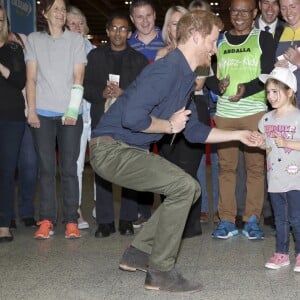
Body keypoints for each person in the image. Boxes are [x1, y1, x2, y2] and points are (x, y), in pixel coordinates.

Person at [89, 10, 258, 293]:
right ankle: (161, 271)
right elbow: (132, 117)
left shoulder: (184, 76)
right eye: (212, 41)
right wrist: (168, 125)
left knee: (189, 189)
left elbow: (192, 131)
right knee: (184, 186)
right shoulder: (167, 69)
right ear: (195, 36)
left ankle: (137, 254)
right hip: (110, 149)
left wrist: (240, 134)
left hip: (127, 150)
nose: (215, 49)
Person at [210, 0, 276, 240]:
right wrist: (217, 85)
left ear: (254, 13)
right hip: (225, 115)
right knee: (226, 169)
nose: (239, 15)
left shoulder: (263, 39)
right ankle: (226, 220)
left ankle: (252, 220)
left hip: (255, 114)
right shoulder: (219, 39)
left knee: (256, 169)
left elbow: (268, 73)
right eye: (235, 10)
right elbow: (207, 73)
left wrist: (244, 89)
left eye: (245, 11)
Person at [25, 0, 87, 239]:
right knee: (47, 168)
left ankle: (71, 219)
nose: (61, 13)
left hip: (70, 114)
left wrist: (72, 110)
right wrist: (32, 110)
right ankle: (47, 219)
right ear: (45, 13)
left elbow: (78, 76)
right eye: (56, 9)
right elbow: (31, 78)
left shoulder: (75, 40)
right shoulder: (34, 40)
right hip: (42, 112)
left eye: (63, 9)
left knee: (69, 168)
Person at [83, 12, 148, 237]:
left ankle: (127, 220)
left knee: (129, 169)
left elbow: (143, 93)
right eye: (114, 28)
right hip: (102, 121)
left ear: (129, 33)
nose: (118, 33)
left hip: (128, 123)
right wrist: (100, 92)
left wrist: (123, 93)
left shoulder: (139, 60)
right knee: (102, 170)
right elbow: (85, 86)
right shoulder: (95, 57)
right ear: (108, 31)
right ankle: (104, 221)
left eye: (123, 29)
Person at [155, 5, 205, 238]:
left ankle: (189, 226)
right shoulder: (161, 54)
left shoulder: (202, 51)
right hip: (165, 119)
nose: (177, 28)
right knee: (169, 173)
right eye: (173, 23)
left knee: (187, 173)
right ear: (167, 27)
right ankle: (170, 224)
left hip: (192, 114)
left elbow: (198, 84)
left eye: (181, 23)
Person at [252, 67, 300, 271]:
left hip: (296, 178)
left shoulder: (298, 117)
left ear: (290, 92)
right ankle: (281, 253)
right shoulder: (266, 119)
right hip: (275, 179)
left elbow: (289, 144)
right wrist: (260, 142)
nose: (270, 96)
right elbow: (268, 145)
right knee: (280, 219)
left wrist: (288, 143)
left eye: (275, 91)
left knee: (297, 218)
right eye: (268, 92)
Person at [128, 0, 165, 227]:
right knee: (139, 160)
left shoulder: (168, 39)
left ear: (155, 15)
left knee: (166, 161)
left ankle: (168, 209)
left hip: (165, 109)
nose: (144, 21)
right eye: (139, 17)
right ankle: (143, 210)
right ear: (132, 19)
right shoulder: (128, 43)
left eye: (148, 16)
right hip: (139, 109)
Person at [66, 5, 94, 230]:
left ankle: (98, 205)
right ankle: (74, 209)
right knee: (76, 163)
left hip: (95, 112)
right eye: (71, 23)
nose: (76, 27)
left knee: (101, 161)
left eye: (79, 23)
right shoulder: (61, 50)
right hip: (73, 113)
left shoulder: (93, 50)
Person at [0, 4, 26, 242]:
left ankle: (4, 223)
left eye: (0, 20)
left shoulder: (13, 48)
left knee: (6, 172)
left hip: (11, 118)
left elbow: (20, 81)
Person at [7, 30, 38, 228]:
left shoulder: (25, 41)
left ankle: (27, 211)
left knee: (29, 166)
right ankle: (6, 214)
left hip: (26, 116)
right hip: (6, 115)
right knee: (6, 169)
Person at [275, 0, 300, 100]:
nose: (288, 13)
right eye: (284, 8)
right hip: (285, 104)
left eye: (293, 6)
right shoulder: (276, 34)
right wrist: (275, 69)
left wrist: (298, 61)